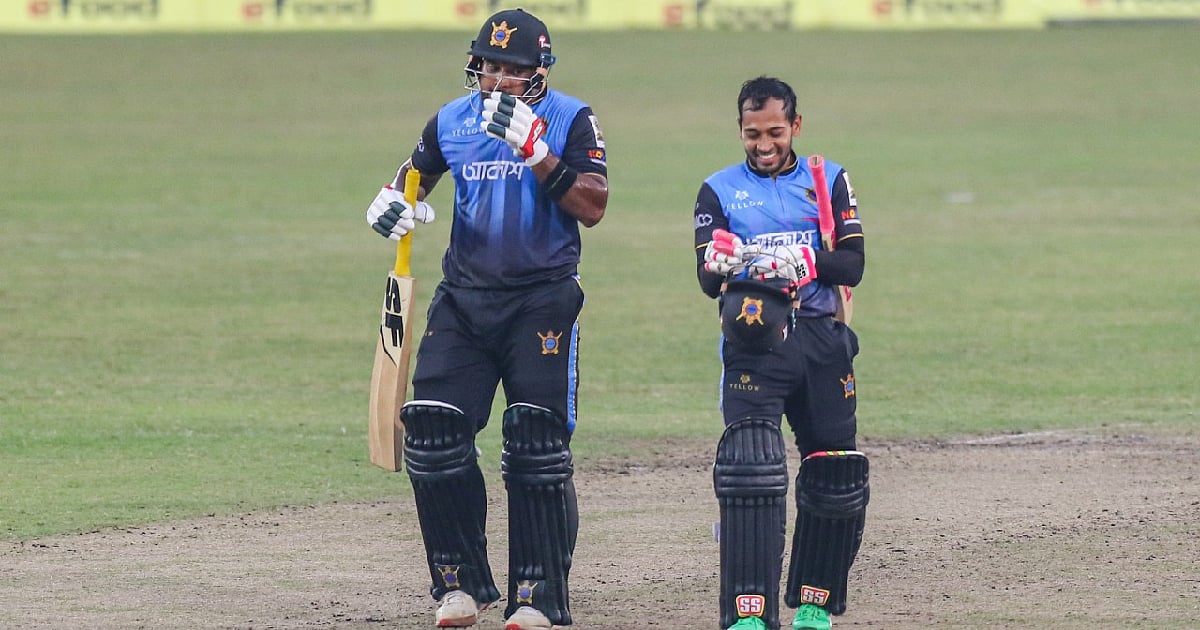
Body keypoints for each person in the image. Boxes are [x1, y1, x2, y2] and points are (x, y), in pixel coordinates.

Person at [363, 8, 607, 630]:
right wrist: (394, 203)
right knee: (433, 434)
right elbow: (412, 178)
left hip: (543, 298)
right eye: (489, 66)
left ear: (539, 71)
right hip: (465, 299)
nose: (498, 80)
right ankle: (459, 587)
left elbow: (593, 205)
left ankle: (539, 595)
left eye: (512, 69)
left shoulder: (570, 119)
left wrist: (537, 151)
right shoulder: (452, 119)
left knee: (535, 445)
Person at [692, 76, 870, 630]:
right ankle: (749, 613)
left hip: (820, 338)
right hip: (753, 341)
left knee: (834, 474)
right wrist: (735, 264)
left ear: (795, 125)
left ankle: (815, 605)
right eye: (751, 134)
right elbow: (704, 276)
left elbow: (854, 264)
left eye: (774, 131)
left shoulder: (829, 179)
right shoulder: (717, 190)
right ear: (739, 130)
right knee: (749, 471)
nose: (763, 144)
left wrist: (805, 261)